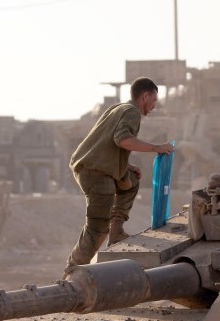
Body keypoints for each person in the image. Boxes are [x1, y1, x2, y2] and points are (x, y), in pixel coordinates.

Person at [65, 77, 174, 269]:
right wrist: (156, 148)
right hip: (95, 173)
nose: (154, 106)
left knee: (130, 180)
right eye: (154, 101)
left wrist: (126, 165)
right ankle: (72, 270)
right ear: (145, 96)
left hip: (95, 167)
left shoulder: (117, 108)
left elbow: (105, 142)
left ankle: (116, 231)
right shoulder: (132, 112)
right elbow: (122, 139)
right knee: (97, 228)